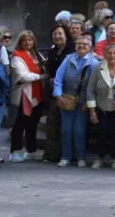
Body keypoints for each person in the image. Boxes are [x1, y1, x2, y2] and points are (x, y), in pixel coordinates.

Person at [52, 35, 94, 167]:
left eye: (85, 44)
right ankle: (66, 156)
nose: (81, 46)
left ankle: (81, 157)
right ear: (75, 46)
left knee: (79, 131)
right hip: (67, 99)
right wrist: (58, 95)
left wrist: (88, 103)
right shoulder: (68, 58)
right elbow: (58, 78)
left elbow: (94, 86)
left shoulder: (94, 62)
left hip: (83, 101)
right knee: (66, 130)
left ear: (90, 47)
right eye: (79, 44)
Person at [8, 30, 48, 163]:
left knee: (33, 123)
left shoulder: (36, 54)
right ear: (20, 42)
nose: (27, 42)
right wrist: (41, 77)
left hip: (36, 93)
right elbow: (23, 76)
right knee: (20, 123)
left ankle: (31, 151)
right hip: (24, 94)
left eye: (30, 40)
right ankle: (15, 151)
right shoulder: (16, 55)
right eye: (24, 40)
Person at [44, 24, 73, 162]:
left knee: (66, 126)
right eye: (54, 34)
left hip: (68, 92)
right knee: (52, 123)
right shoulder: (52, 51)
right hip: (54, 92)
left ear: (66, 34)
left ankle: (65, 154)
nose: (57, 36)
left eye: (60, 33)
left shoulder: (72, 49)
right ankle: (50, 154)